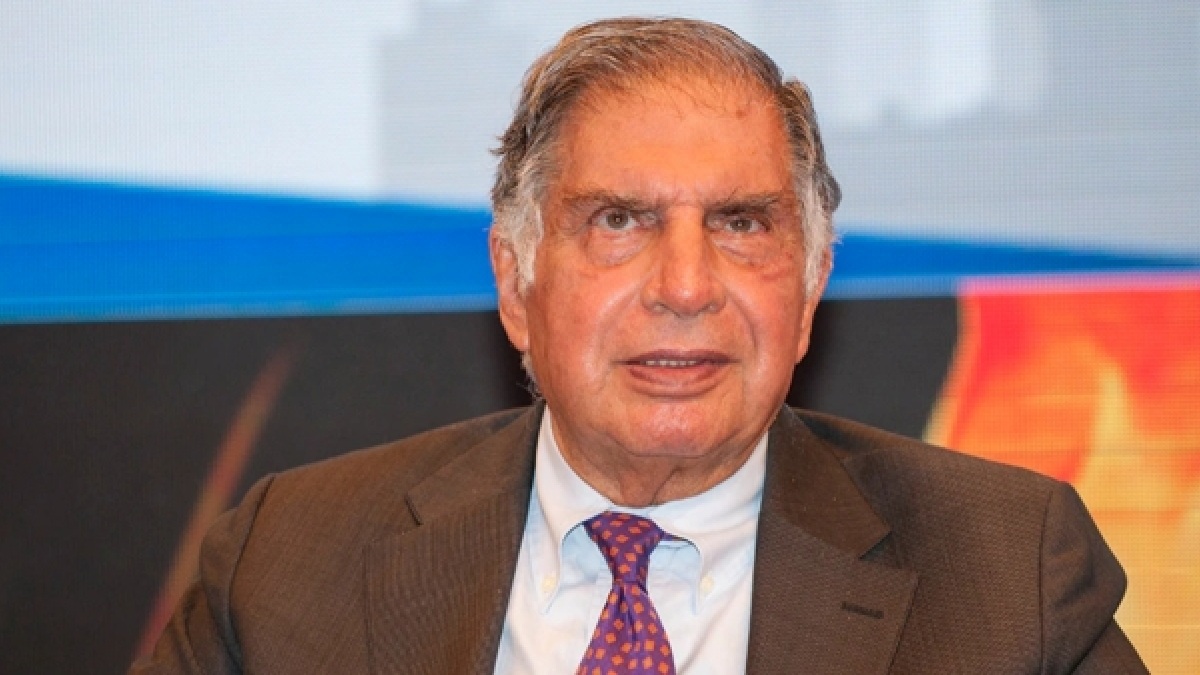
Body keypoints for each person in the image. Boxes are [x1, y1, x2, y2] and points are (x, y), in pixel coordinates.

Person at [131, 17, 1147, 674]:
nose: (686, 285)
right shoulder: (291, 562)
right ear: (516, 281)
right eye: (619, 221)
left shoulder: (1007, 574)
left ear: (809, 286)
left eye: (741, 224)